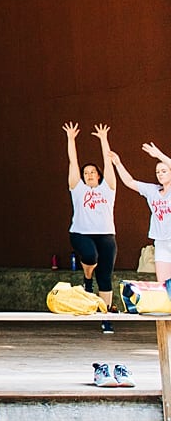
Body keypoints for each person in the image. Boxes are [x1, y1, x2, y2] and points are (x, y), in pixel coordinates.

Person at [64, 122, 118, 332]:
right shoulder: (77, 189)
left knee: (105, 277)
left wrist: (103, 139)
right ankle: (87, 279)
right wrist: (71, 140)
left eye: (92, 172)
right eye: (86, 172)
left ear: (99, 175)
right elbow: (72, 161)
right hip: (80, 233)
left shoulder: (108, 189)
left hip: (106, 235)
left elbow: (108, 162)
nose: (88, 175)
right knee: (90, 256)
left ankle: (105, 317)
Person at [109, 142, 171, 282]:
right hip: (161, 242)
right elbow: (130, 182)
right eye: (157, 172)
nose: (160, 174)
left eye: (164, 171)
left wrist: (159, 155)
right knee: (165, 285)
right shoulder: (152, 190)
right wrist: (118, 163)